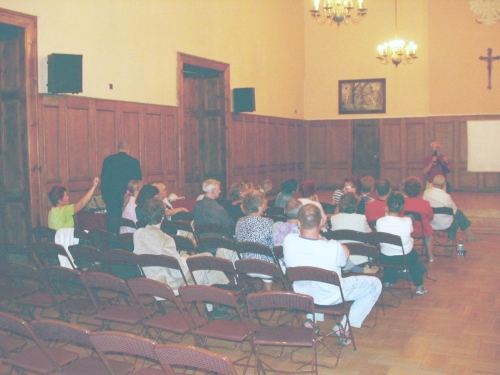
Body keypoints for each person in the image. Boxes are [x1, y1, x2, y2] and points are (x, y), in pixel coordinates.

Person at [283, 204, 382, 341]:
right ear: (322, 222)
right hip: (331, 296)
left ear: (298, 223)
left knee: (312, 280)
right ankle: (344, 326)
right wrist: (344, 252)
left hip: (302, 294)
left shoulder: (288, 241)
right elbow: (343, 265)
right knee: (375, 284)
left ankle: (311, 320)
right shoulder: (334, 247)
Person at [133, 198, 228, 296]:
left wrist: (182, 258)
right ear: (162, 216)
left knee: (207, 256)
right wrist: (184, 259)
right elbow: (178, 273)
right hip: (169, 285)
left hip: (150, 281)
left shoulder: (138, 233)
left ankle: (215, 303)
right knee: (207, 262)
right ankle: (225, 295)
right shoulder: (166, 239)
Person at [376, 192, 428, 295]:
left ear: (387, 206)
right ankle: (419, 286)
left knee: (389, 250)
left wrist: (386, 215)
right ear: (402, 207)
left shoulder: (379, 221)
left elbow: (386, 225)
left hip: (385, 257)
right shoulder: (407, 220)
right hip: (405, 257)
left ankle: (387, 281)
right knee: (414, 258)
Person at [423, 175, 482, 243]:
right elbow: (454, 211)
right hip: (445, 223)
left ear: (433, 183)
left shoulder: (426, 193)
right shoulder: (446, 196)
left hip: (430, 222)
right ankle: (451, 242)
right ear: (443, 185)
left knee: (457, 215)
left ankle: (469, 236)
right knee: (458, 215)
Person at [235, 190, 275, 291]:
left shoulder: (239, 221)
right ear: (260, 207)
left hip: (245, 264)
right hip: (265, 267)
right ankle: (269, 293)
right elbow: (273, 244)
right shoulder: (268, 222)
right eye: (264, 201)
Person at [100, 141, 142, 233]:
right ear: (128, 149)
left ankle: (113, 246)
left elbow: (104, 181)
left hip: (112, 200)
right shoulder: (134, 162)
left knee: (112, 224)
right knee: (128, 225)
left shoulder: (108, 160)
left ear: (118, 148)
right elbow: (138, 183)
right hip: (128, 199)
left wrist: (105, 198)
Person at [402, 176, 435, 262]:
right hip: (422, 231)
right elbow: (431, 217)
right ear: (419, 190)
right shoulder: (425, 203)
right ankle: (430, 256)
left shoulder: (401, 202)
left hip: (406, 231)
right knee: (428, 231)